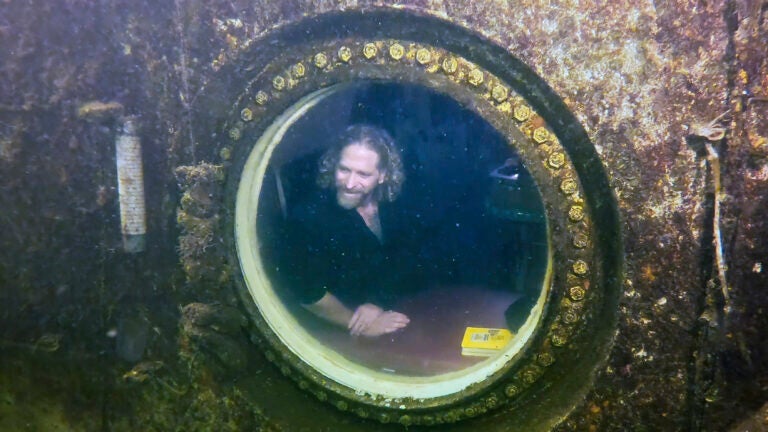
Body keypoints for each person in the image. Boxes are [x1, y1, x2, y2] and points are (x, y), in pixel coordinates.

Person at [284, 124, 422, 337]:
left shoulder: (395, 207)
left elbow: (407, 259)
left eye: (363, 175)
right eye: (344, 170)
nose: (349, 183)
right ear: (333, 165)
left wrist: (377, 302)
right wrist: (358, 325)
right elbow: (306, 292)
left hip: (393, 312)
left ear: (382, 175)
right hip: (331, 333)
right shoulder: (308, 217)